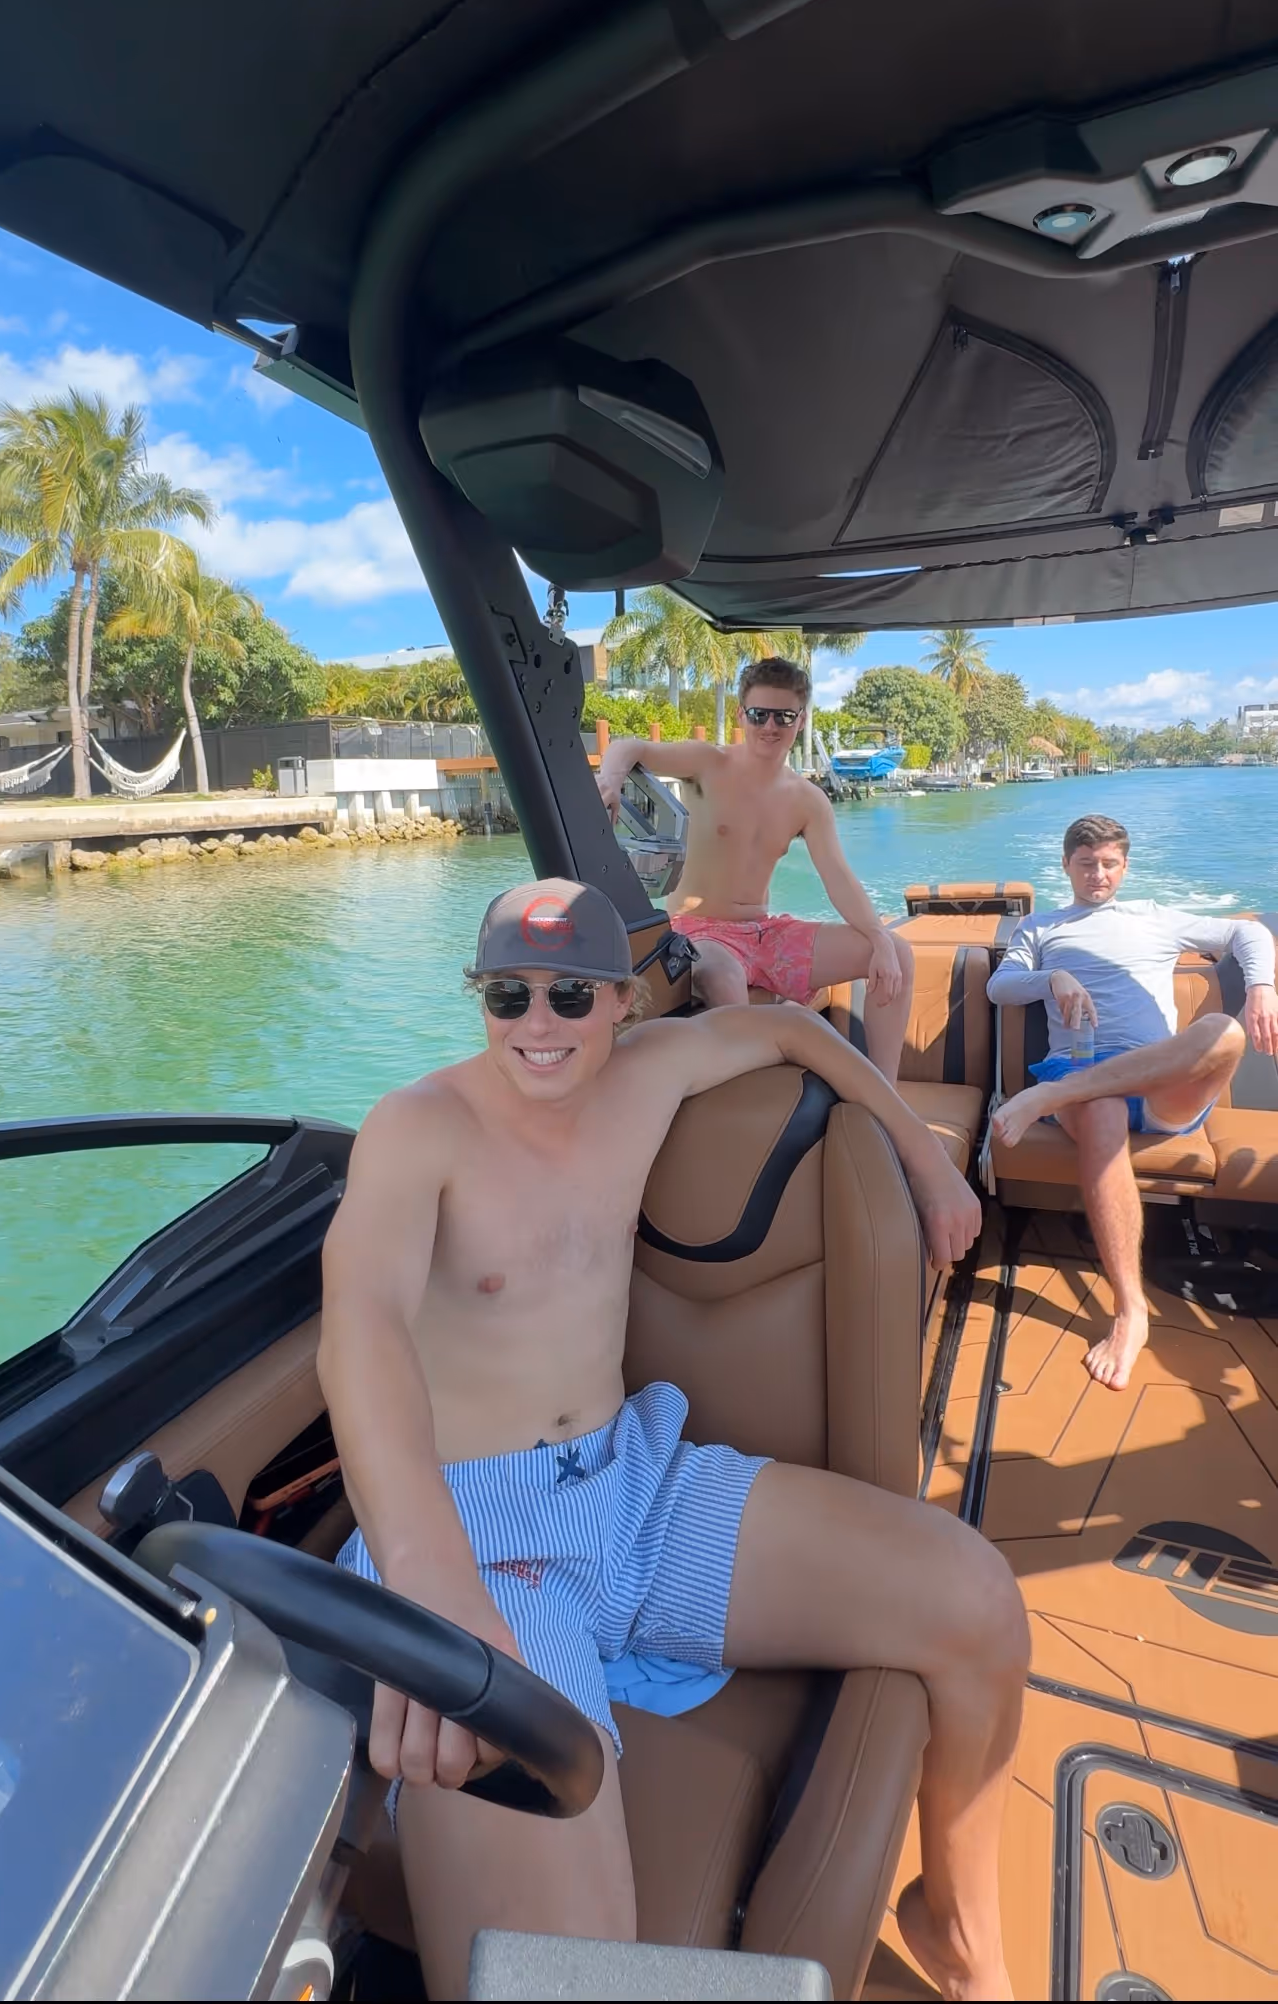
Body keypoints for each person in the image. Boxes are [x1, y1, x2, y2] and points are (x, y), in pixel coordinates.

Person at [320, 878, 1026, 2003]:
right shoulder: (419, 1128)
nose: (537, 1026)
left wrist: (928, 1158)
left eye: (567, 995)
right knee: (571, 1982)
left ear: (620, 1003)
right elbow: (357, 1326)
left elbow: (795, 1030)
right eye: (507, 996)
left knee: (980, 1602)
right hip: (474, 1535)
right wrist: (431, 1578)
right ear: (478, 999)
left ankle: (956, 1931)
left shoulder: (653, 1072)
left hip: (632, 1487)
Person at [989, 814, 1278, 1390]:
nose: (1099, 875)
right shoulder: (1042, 929)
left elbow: (1246, 934)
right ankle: (1131, 1310)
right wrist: (1054, 978)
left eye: (1110, 863)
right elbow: (1001, 986)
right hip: (1080, 1069)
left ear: (1125, 865)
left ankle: (1054, 1096)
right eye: (1086, 863)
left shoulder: (1153, 917)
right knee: (1101, 1109)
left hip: (1159, 1080)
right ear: (1065, 864)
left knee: (1224, 1031)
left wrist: (1261, 986)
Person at [594, 656, 915, 1084]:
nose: (770, 727)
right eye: (760, 714)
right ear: (742, 714)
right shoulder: (707, 764)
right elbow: (629, 747)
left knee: (899, 953)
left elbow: (837, 876)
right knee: (723, 978)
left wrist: (878, 937)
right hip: (698, 931)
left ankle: (884, 1095)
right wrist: (611, 778)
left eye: (783, 716)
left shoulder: (807, 799)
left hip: (765, 933)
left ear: (800, 721)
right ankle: (755, 1105)